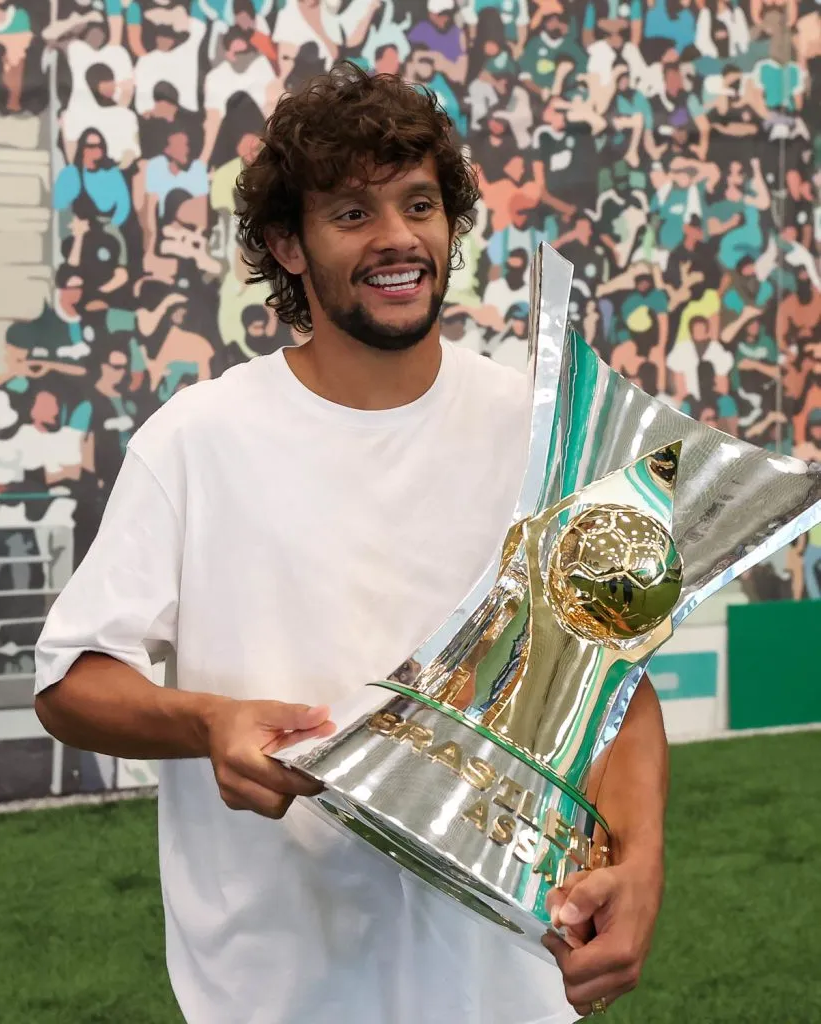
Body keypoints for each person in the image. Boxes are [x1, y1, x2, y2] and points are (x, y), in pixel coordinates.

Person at [34, 63, 667, 1024]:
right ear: (287, 245)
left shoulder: (544, 435)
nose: (398, 237)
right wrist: (207, 722)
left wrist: (641, 860)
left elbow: (613, 680)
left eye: (419, 203)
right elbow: (70, 683)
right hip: (276, 993)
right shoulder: (197, 439)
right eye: (352, 213)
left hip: (511, 989)